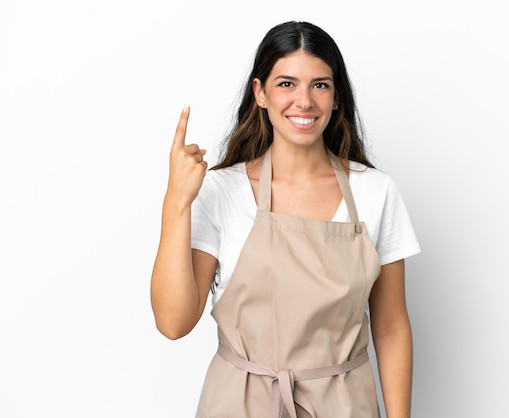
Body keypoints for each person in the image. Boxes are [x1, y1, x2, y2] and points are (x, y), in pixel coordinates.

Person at [151, 21, 420, 418]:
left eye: (320, 85)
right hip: (237, 406)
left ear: (337, 97)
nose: (305, 101)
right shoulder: (222, 191)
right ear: (260, 93)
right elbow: (174, 323)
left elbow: (391, 326)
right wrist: (176, 202)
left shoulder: (375, 192)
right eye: (287, 84)